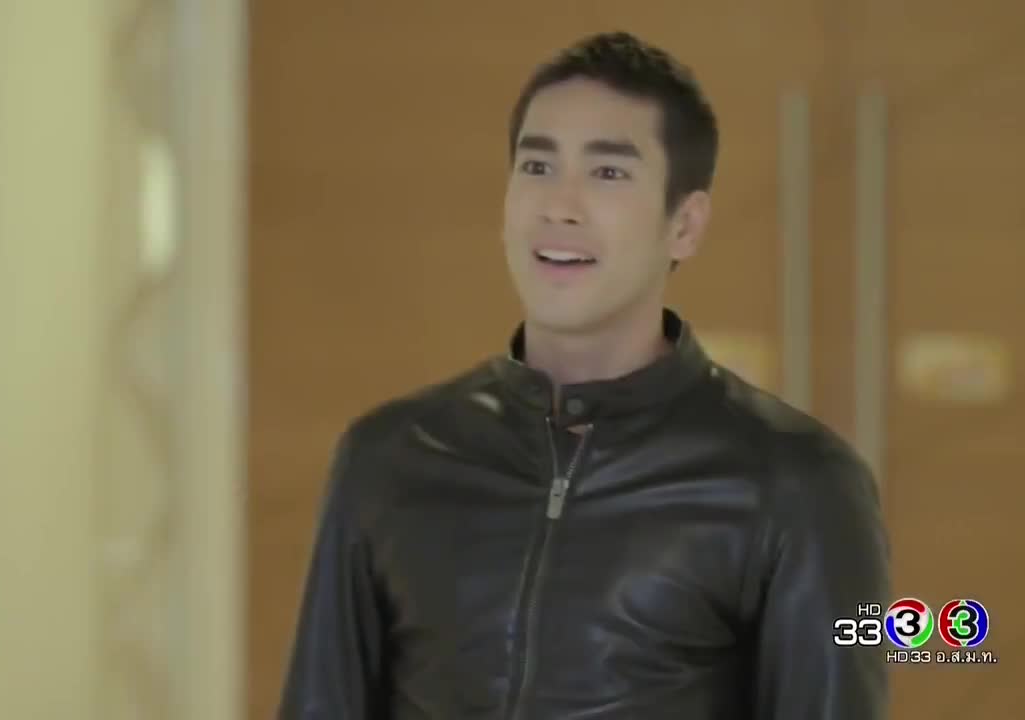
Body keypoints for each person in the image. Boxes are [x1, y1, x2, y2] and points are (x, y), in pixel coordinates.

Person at [278, 31, 890, 720]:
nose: (559, 206)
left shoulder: (797, 483)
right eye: (537, 166)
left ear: (685, 225)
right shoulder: (391, 456)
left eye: (608, 173)